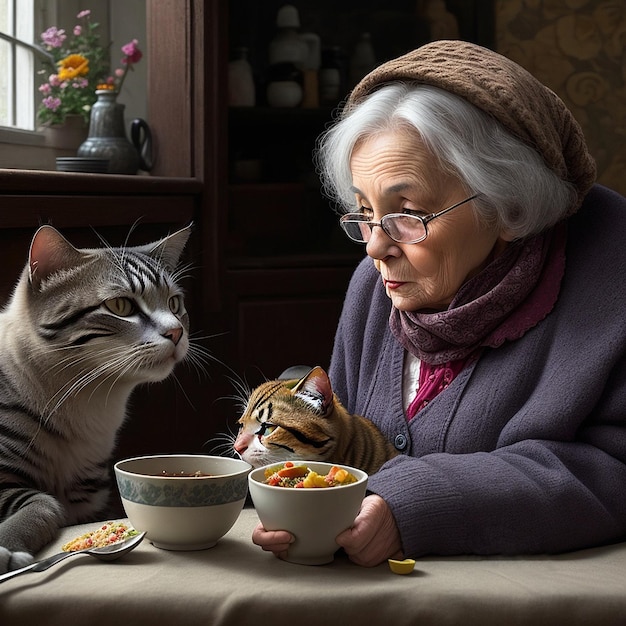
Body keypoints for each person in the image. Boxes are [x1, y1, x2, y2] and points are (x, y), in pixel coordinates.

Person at [251, 39, 626, 566]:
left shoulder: (609, 288)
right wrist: (306, 505)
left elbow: (614, 468)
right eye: (363, 212)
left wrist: (416, 507)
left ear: (504, 202)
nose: (377, 247)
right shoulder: (371, 290)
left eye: (408, 213)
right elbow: (343, 444)